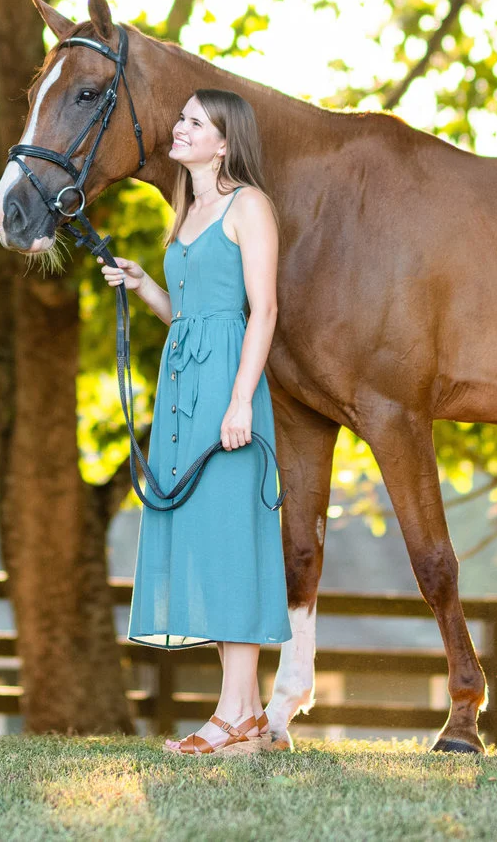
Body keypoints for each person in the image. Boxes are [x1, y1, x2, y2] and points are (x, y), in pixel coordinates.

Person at [102, 87, 288, 755]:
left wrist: (241, 401)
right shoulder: (188, 210)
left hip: (227, 390)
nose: (177, 127)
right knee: (207, 543)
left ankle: (238, 711)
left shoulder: (250, 206)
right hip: (182, 389)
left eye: (192, 121)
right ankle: (244, 711)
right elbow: (188, 315)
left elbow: (261, 310)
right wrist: (145, 284)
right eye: (180, 118)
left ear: (224, 141)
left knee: (231, 539)